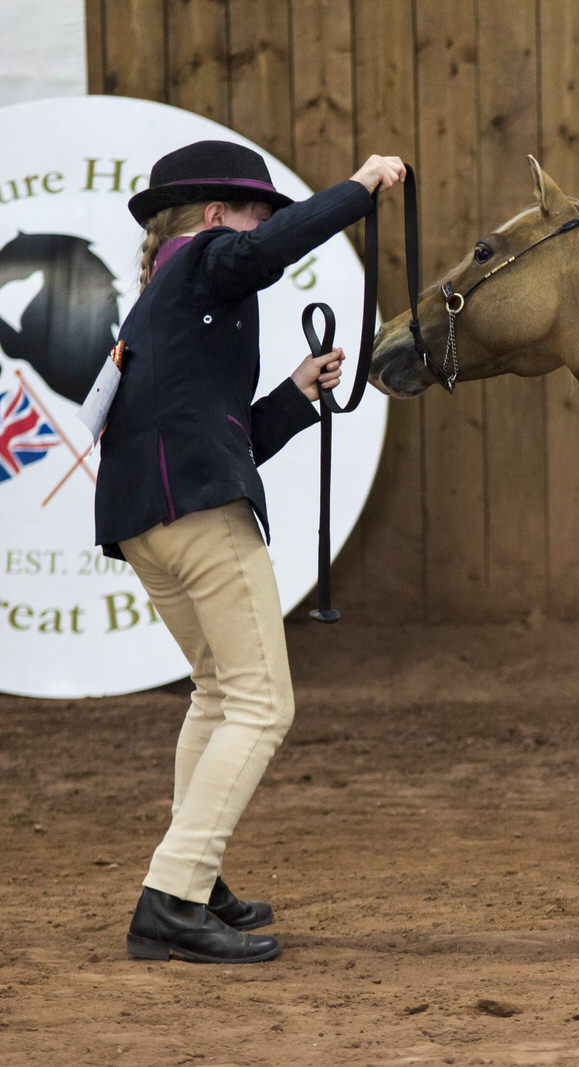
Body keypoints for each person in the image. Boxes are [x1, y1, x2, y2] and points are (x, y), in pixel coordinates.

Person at [95, 140, 405, 964]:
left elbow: (222, 434)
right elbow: (267, 250)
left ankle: (196, 876)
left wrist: (297, 394)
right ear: (211, 217)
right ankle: (172, 892)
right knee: (264, 704)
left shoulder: (163, 295)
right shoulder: (205, 260)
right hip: (199, 518)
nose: (260, 226)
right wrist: (359, 188)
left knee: (217, 691)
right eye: (252, 212)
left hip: (145, 520)